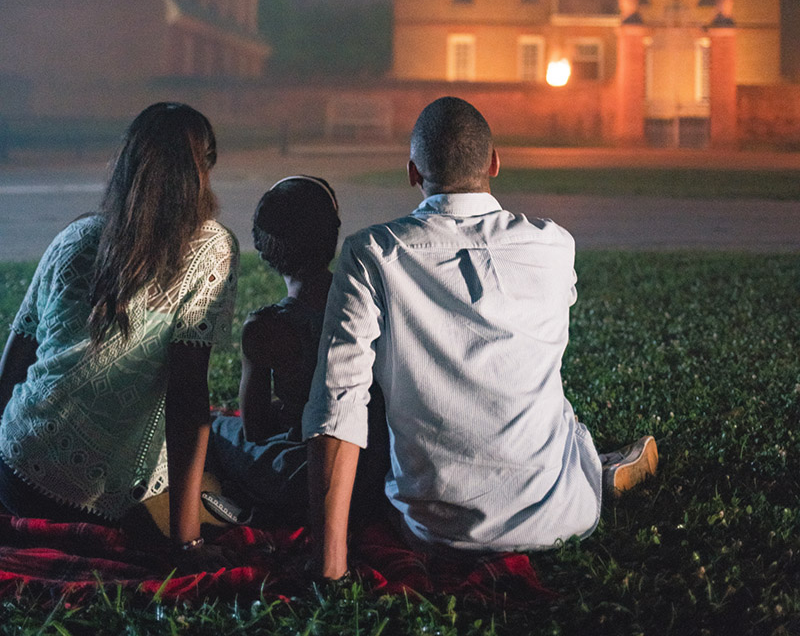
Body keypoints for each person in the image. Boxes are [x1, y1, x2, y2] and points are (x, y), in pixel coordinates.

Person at [304, 96, 658, 581]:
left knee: (378, 403)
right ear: (494, 163)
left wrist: (330, 572)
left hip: (438, 530)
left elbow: (337, 402)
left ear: (413, 171)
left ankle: (597, 467)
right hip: (562, 518)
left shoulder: (372, 254)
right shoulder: (555, 245)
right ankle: (597, 470)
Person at [0, 102, 238, 568]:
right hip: (95, 499)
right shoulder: (210, 249)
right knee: (219, 479)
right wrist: (186, 543)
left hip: (13, 467)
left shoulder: (75, 235)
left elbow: (13, 363)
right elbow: (188, 399)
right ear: (203, 169)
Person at [205, 175, 340, 526]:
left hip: (303, 478)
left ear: (264, 248)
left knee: (217, 428)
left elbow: (255, 429)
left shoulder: (267, 327)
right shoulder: (369, 306)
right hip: (372, 472)